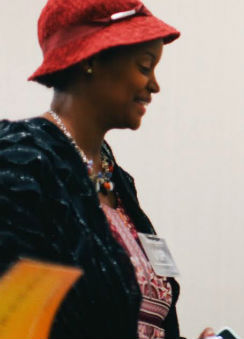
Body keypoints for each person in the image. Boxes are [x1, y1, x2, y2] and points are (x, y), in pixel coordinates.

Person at [0, 0, 215, 338]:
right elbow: (16, 323)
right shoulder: (23, 166)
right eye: (145, 67)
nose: (154, 85)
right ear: (91, 60)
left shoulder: (116, 179)